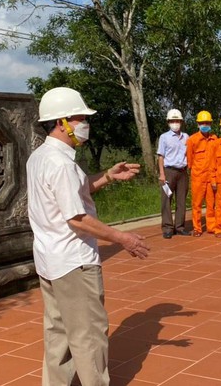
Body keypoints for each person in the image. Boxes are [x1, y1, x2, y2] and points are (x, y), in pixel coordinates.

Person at [27, 87, 149, 386]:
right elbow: (77, 218)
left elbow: (74, 192)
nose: (85, 124)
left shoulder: (41, 157)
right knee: (89, 336)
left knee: (58, 333)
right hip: (73, 262)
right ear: (62, 122)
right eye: (81, 118)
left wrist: (107, 176)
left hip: (49, 259)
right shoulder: (61, 164)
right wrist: (123, 238)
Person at [157, 109, 189, 238]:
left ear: (181, 122)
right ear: (168, 122)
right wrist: (162, 174)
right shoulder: (164, 137)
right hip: (169, 171)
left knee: (181, 200)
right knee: (166, 200)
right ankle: (168, 228)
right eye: (172, 121)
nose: (175, 123)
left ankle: (180, 226)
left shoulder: (186, 137)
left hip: (182, 172)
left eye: (177, 121)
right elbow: (160, 156)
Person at [187, 110, 217, 237]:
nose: (205, 124)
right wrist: (196, 171)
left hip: (211, 178)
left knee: (211, 204)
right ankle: (197, 228)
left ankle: (211, 226)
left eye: (207, 122)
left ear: (210, 123)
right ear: (198, 124)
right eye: (202, 123)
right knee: (197, 204)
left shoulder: (215, 139)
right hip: (198, 177)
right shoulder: (192, 140)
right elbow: (189, 160)